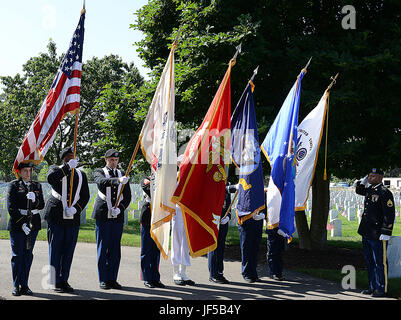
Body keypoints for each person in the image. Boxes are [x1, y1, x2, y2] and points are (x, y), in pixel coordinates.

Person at [44, 146, 90, 293]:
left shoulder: (81, 175)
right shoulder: (55, 169)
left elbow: (85, 196)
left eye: (73, 157)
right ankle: (54, 281)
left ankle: (64, 280)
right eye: (69, 157)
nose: (72, 159)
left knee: (68, 250)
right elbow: (51, 179)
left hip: (72, 217)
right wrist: (66, 168)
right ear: (64, 158)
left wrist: (76, 208)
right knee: (55, 249)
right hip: (56, 215)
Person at [93, 149, 131, 290]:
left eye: (116, 160)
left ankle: (112, 278)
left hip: (117, 215)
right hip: (103, 213)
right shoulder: (100, 171)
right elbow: (101, 182)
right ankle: (103, 279)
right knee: (103, 248)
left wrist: (120, 208)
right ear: (106, 159)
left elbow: (127, 196)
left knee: (115, 249)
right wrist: (117, 181)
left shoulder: (122, 174)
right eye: (111, 160)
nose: (114, 162)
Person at [356, 168, 395, 297]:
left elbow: (389, 215)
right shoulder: (370, 190)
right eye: (369, 176)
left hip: (378, 233)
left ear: (380, 178)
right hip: (367, 232)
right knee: (369, 261)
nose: (370, 178)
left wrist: (386, 231)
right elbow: (359, 190)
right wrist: (363, 181)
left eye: (372, 176)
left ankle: (381, 288)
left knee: (380, 262)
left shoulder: (384, 192)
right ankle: (372, 287)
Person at [7, 162, 45, 296]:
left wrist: (35, 200)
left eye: (30, 170)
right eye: (25, 171)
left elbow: (41, 205)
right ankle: (16, 285)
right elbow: (11, 207)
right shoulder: (14, 185)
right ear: (19, 172)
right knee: (18, 255)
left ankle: (24, 284)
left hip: (33, 224)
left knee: (28, 255)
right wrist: (22, 223)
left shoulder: (37, 186)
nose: (28, 174)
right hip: (18, 225)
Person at [171, 155, 195, 286]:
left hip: (188, 212)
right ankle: (176, 272)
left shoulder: (191, 178)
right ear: (179, 164)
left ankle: (183, 271)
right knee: (177, 241)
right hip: (178, 210)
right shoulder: (175, 176)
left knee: (186, 243)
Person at [208, 183, 237, 284]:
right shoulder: (211, 181)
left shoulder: (226, 182)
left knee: (221, 247)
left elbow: (228, 202)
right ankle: (213, 274)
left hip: (223, 219)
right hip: (213, 219)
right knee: (213, 247)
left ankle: (220, 272)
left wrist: (228, 216)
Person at [139, 175, 165, 288]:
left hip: (159, 216)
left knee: (156, 250)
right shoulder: (146, 178)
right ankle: (147, 277)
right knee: (147, 249)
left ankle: (155, 277)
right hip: (148, 217)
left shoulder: (164, 179)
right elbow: (150, 190)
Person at [238, 201, 265, 283]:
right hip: (246, 219)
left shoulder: (260, 188)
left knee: (255, 247)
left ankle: (253, 272)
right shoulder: (245, 187)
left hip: (258, 220)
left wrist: (263, 214)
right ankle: (246, 273)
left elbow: (264, 201)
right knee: (246, 247)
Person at [265, 187, 286, 281]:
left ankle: (279, 272)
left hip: (282, 227)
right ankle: (273, 272)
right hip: (272, 227)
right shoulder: (270, 193)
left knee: (280, 251)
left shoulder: (284, 192)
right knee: (273, 251)